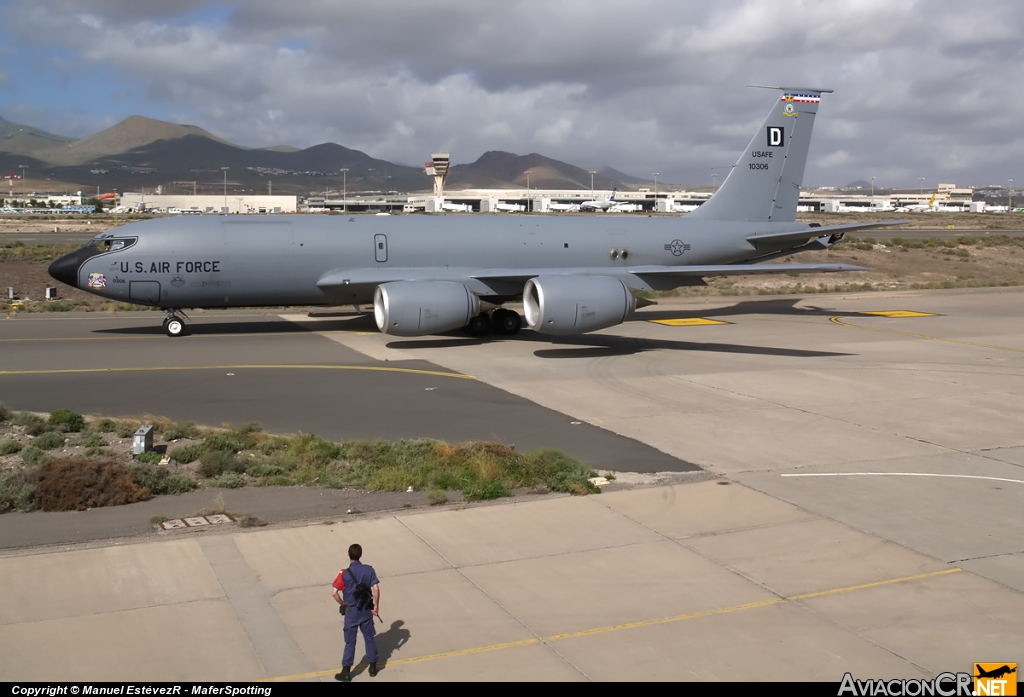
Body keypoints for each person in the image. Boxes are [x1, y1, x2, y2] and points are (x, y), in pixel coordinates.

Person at [332, 543, 380, 682]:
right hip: (365, 610)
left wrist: (342, 603)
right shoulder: (369, 570)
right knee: (369, 637)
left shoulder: (344, 573)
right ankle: (373, 667)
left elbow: (334, 592)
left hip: (351, 612)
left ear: (349, 555)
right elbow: (376, 589)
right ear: (361, 554)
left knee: (350, 642)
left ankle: (346, 672)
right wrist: (376, 606)